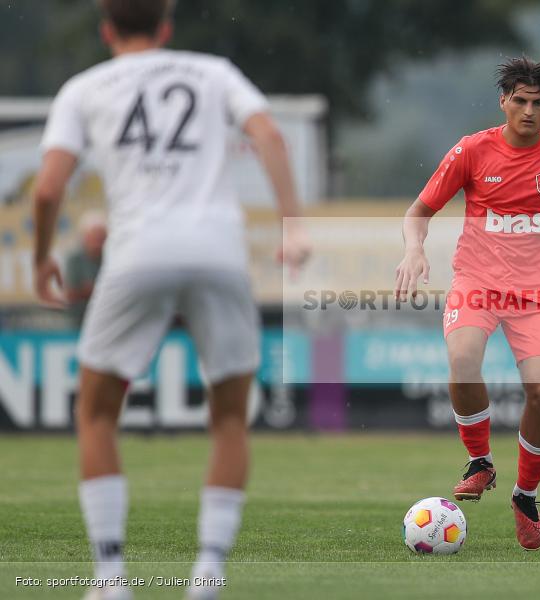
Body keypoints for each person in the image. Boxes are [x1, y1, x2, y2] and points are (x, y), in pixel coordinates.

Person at [31, 1, 311, 598]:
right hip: (218, 251)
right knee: (230, 415)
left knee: (97, 412)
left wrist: (40, 257)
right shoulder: (213, 72)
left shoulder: (83, 88)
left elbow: (49, 187)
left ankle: (111, 578)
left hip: (137, 253)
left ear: (106, 30)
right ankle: (207, 575)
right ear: (166, 26)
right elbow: (268, 133)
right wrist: (293, 224)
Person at [395, 56, 540, 551]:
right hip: (477, 282)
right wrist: (414, 248)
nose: (529, 111)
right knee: (462, 358)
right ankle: (479, 462)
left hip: (539, 294)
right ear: (504, 102)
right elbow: (419, 211)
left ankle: (525, 495)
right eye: (520, 100)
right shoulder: (473, 150)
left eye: (538, 103)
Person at [65, 211, 107, 328]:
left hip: (106, 316)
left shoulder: (111, 257)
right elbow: (70, 294)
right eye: (95, 237)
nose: (99, 242)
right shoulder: (75, 258)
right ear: (85, 237)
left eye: (102, 238)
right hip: (80, 318)